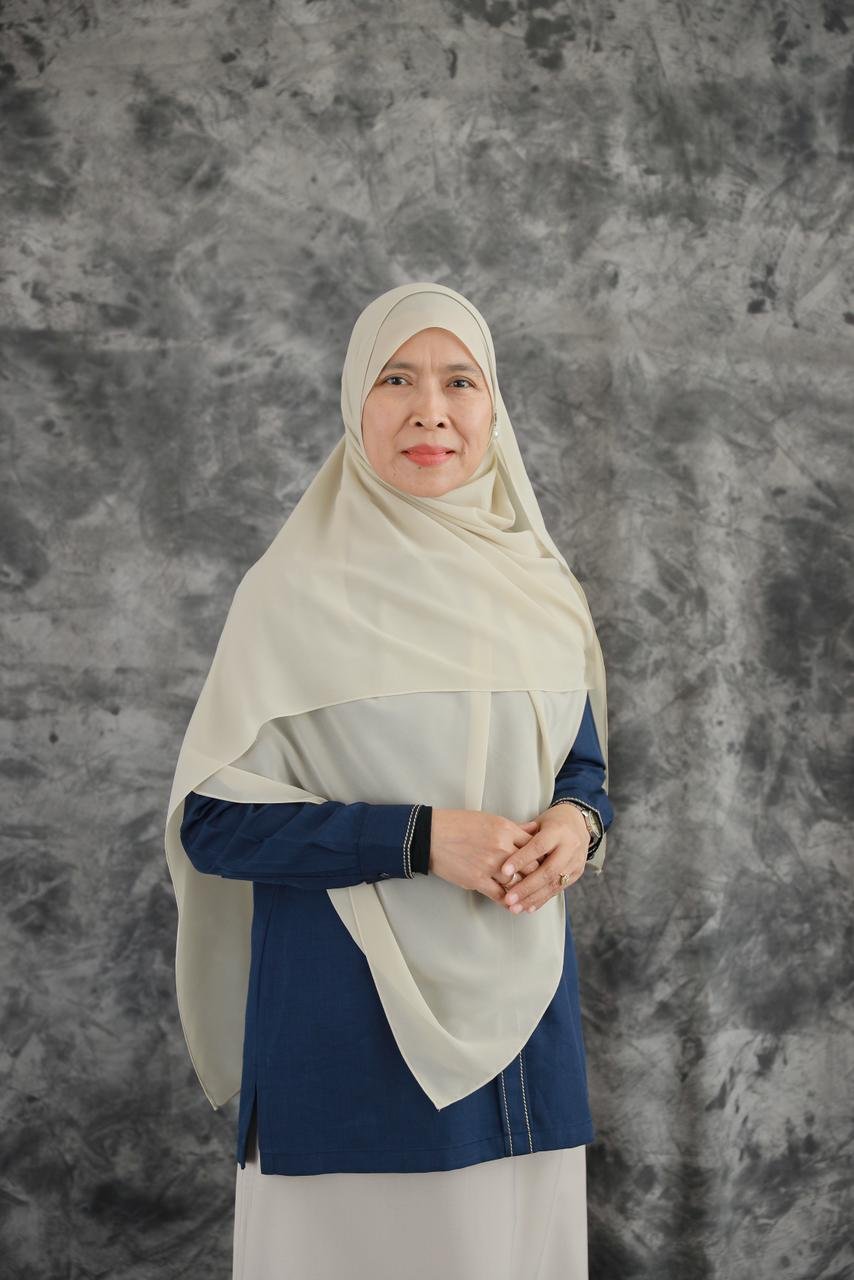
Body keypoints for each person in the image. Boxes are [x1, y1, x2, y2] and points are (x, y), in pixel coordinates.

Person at [164, 281, 615, 1280]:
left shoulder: (539, 587)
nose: (430, 411)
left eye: (460, 381)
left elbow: (579, 767)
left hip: (523, 1034)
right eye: (397, 380)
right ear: (355, 403)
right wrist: (418, 838)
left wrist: (578, 824)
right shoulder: (291, 593)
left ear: (492, 407)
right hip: (347, 1042)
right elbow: (214, 823)